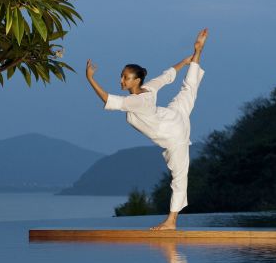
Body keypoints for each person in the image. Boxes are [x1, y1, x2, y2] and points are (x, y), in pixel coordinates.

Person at [86, 28, 208, 230]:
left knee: (179, 177)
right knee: (189, 88)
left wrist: (90, 78)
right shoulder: (148, 88)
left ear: (137, 80)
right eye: (122, 76)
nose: (121, 81)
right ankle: (198, 52)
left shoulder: (136, 101)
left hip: (173, 134)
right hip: (174, 115)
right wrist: (186, 61)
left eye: (125, 77)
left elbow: (108, 99)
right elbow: (168, 75)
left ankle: (171, 222)